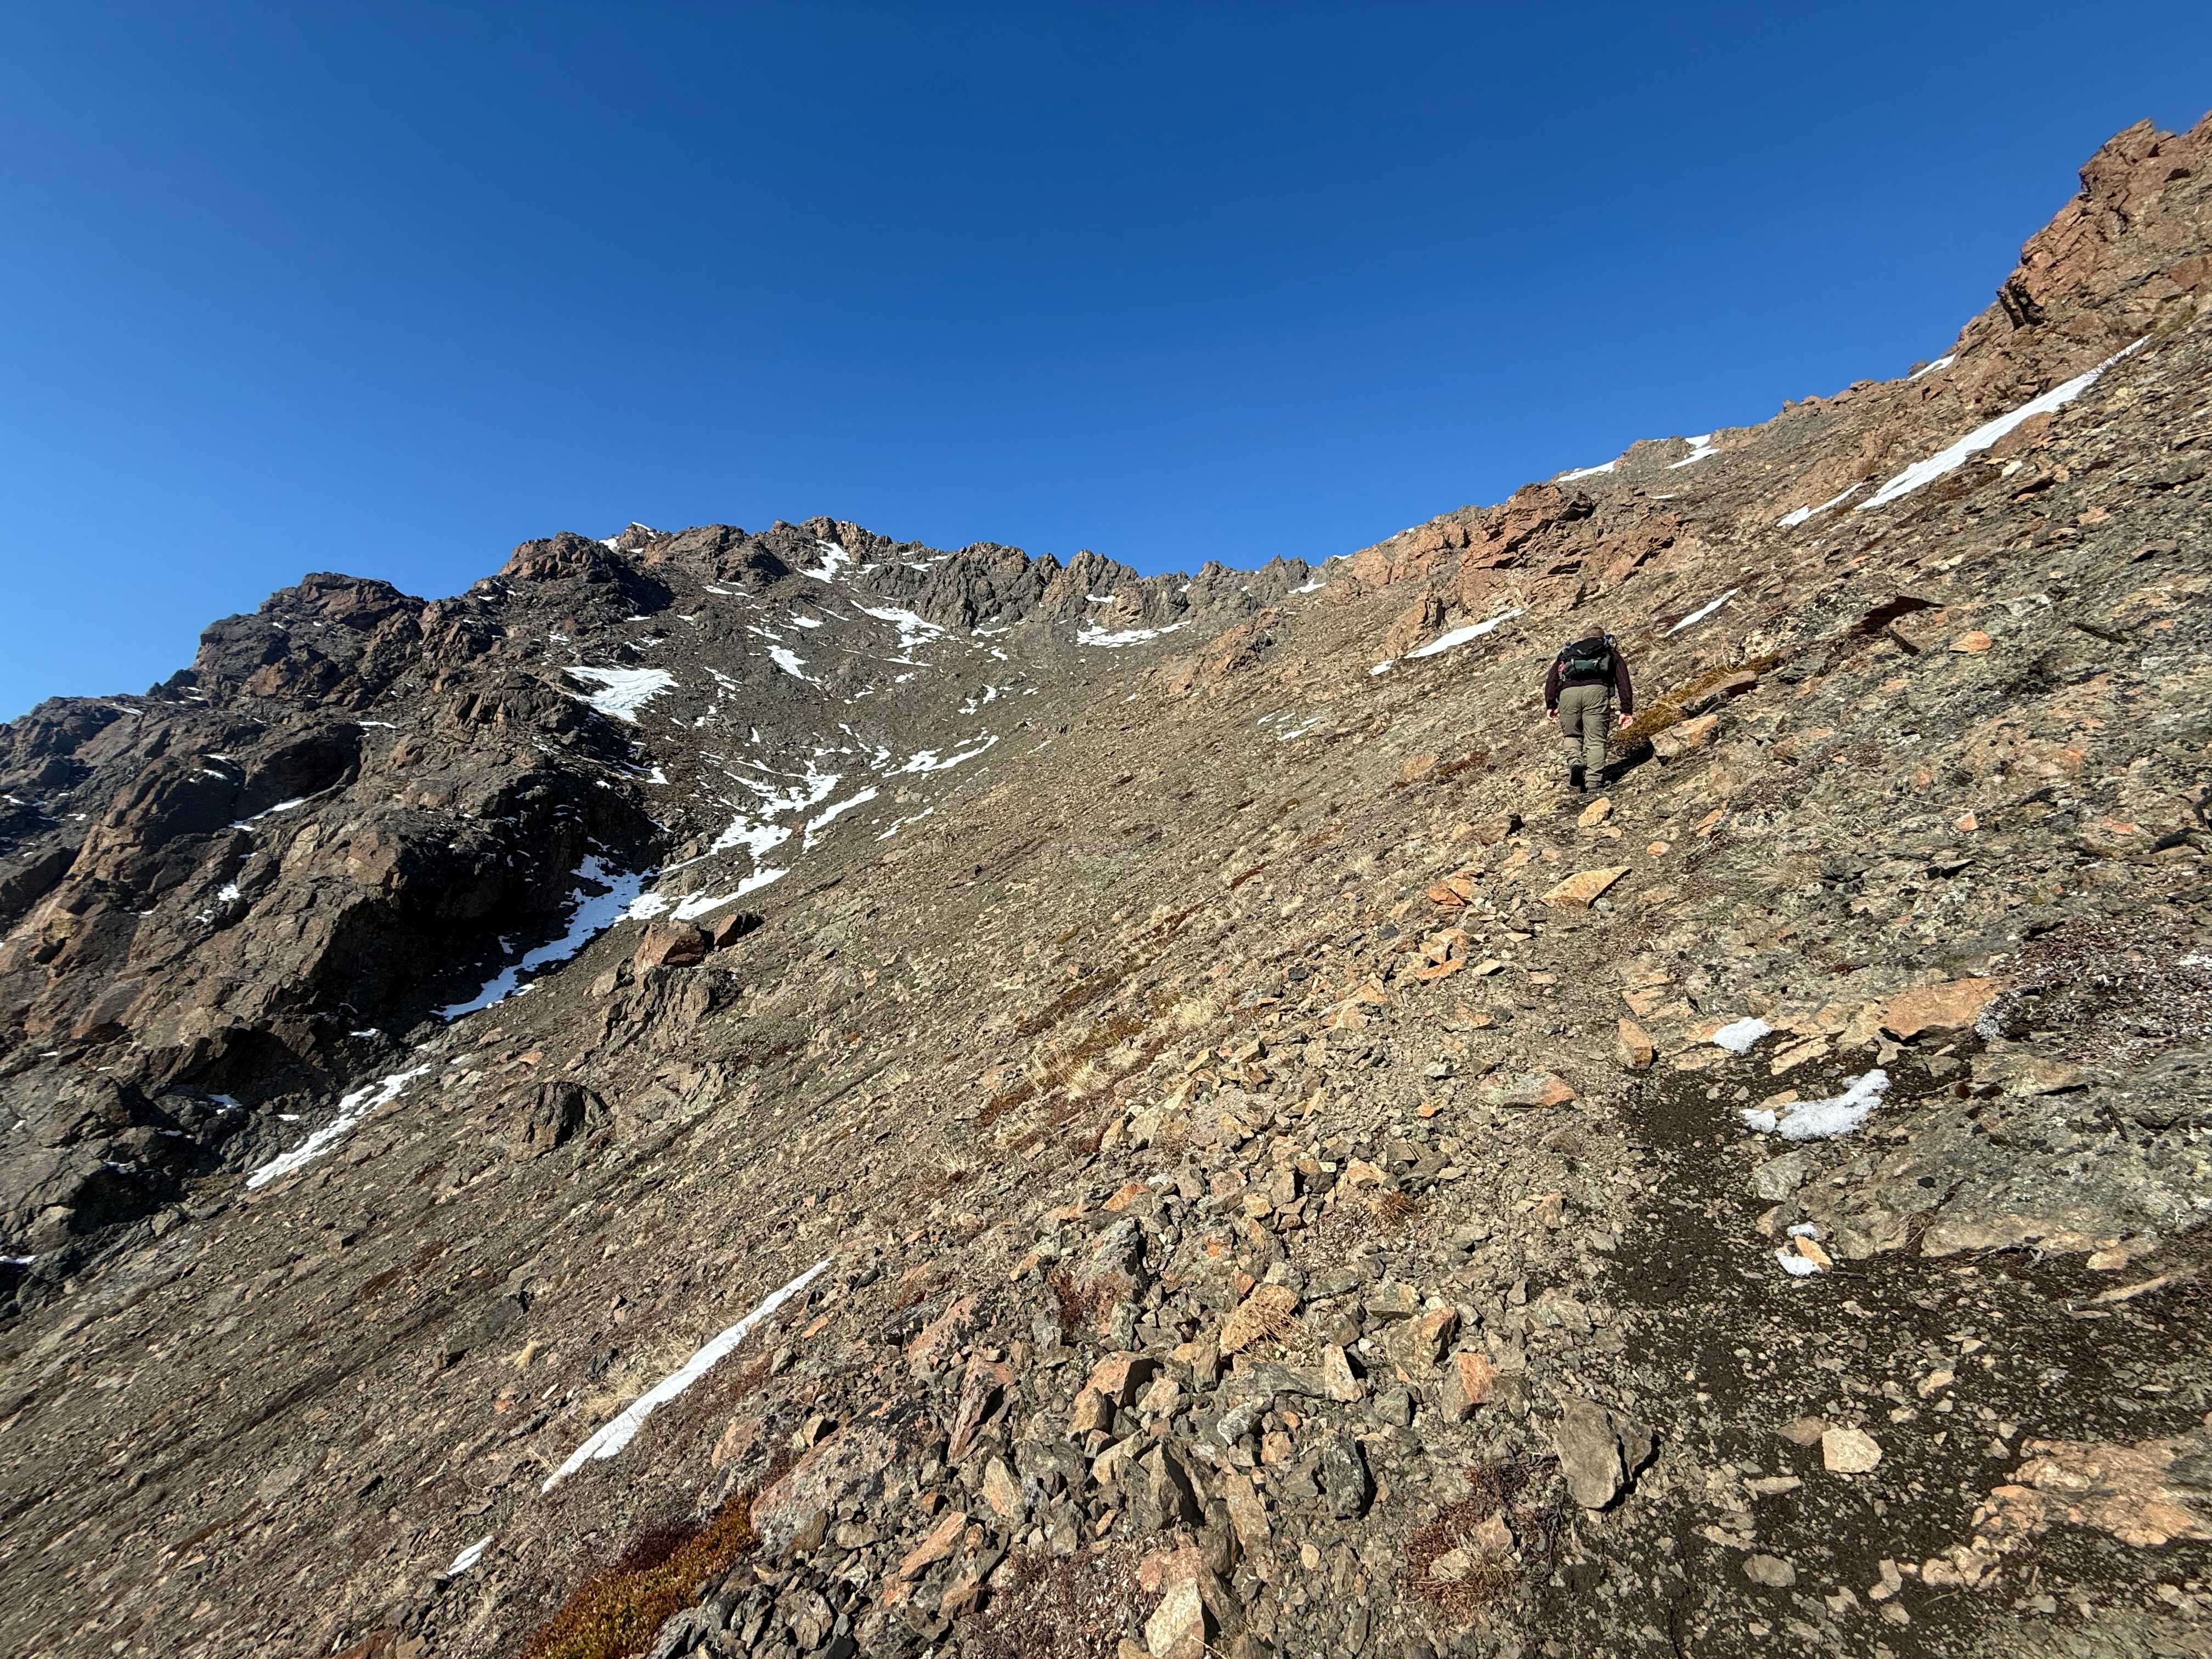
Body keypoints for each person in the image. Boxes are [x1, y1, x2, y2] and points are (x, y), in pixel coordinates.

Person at [1544, 628, 1634, 794]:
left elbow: (1552, 679)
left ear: (1583, 638)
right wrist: (1626, 710)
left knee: (1572, 735)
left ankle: (1576, 762)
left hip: (1568, 694)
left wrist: (1551, 705)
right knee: (1596, 740)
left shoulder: (1568, 653)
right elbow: (1623, 682)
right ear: (1603, 638)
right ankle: (1593, 784)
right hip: (1597, 692)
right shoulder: (1609, 652)